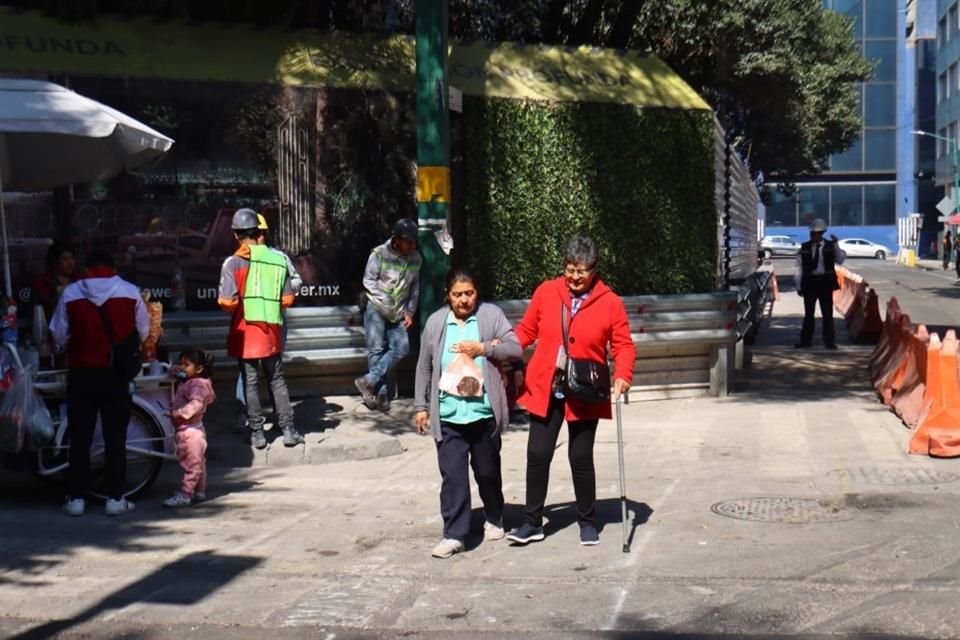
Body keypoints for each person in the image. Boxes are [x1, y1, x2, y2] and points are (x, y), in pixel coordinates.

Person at [506, 234, 635, 547]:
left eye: (581, 271)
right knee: (537, 453)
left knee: (580, 456)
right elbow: (526, 330)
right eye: (570, 269)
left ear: (595, 269)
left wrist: (623, 375)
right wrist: (505, 348)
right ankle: (531, 522)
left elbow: (623, 344)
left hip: (584, 388)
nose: (575, 277)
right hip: (546, 385)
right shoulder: (547, 292)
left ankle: (587, 521)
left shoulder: (610, 302)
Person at [414, 266, 522, 559]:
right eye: (457, 294)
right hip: (449, 416)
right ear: (447, 296)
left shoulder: (490, 316)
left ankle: (494, 515)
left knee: (487, 472)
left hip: (483, 414)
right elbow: (424, 366)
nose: (464, 300)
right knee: (453, 477)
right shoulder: (436, 323)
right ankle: (454, 534)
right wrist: (421, 407)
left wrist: (484, 348)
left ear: (477, 292)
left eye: (469, 293)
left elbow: (515, 348)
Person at [49, 249, 149, 516]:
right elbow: (144, 330)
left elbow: (58, 334)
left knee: (80, 437)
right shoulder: (129, 291)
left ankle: (76, 499)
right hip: (116, 375)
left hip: (81, 373)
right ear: (112, 266)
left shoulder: (70, 293)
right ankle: (115, 498)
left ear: (87, 268)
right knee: (115, 438)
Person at [218, 208, 303, 449]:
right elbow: (287, 300)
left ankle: (257, 433)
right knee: (277, 380)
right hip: (272, 331)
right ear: (259, 232)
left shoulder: (232, 264)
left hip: (245, 334)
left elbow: (227, 302)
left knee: (250, 382)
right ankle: (288, 430)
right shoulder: (278, 260)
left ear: (236, 235)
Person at [356, 218, 421, 413]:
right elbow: (369, 281)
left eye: (414, 241)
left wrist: (410, 311)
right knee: (376, 349)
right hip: (377, 307)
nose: (412, 245)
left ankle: (369, 380)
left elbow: (415, 287)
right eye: (408, 241)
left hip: (399, 312)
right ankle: (381, 394)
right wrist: (386, 301)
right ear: (397, 240)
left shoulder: (416, 258)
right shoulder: (379, 254)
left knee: (401, 348)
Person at [163, 348, 216, 508]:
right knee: (198, 463)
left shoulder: (197, 385)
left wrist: (177, 414)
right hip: (190, 430)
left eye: (186, 364)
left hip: (190, 432)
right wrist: (177, 368)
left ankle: (186, 494)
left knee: (192, 465)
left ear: (199, 369)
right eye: (181, 363)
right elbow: (173, 373)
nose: (182, 368)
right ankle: (199, 491)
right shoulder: (190, 379)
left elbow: (196, 405)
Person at [793, 218, 846, 350]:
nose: (813, 235)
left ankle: (829, 342)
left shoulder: (830, 246)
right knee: (808, 314)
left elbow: (840, 260)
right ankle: (805, 341)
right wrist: (798, 286)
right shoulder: (804, 248)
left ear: (822, 233)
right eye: (812, 233)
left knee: (827, 314)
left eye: (816, 233)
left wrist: (836, 245)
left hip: (825, 283)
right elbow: (798, 268)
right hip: (810, 283)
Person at [32, 242, 76, 321]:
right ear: (54, 262)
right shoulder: (41, 283)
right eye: (65, 259)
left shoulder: (79, 281)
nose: (71, 263)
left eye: (72, 258)